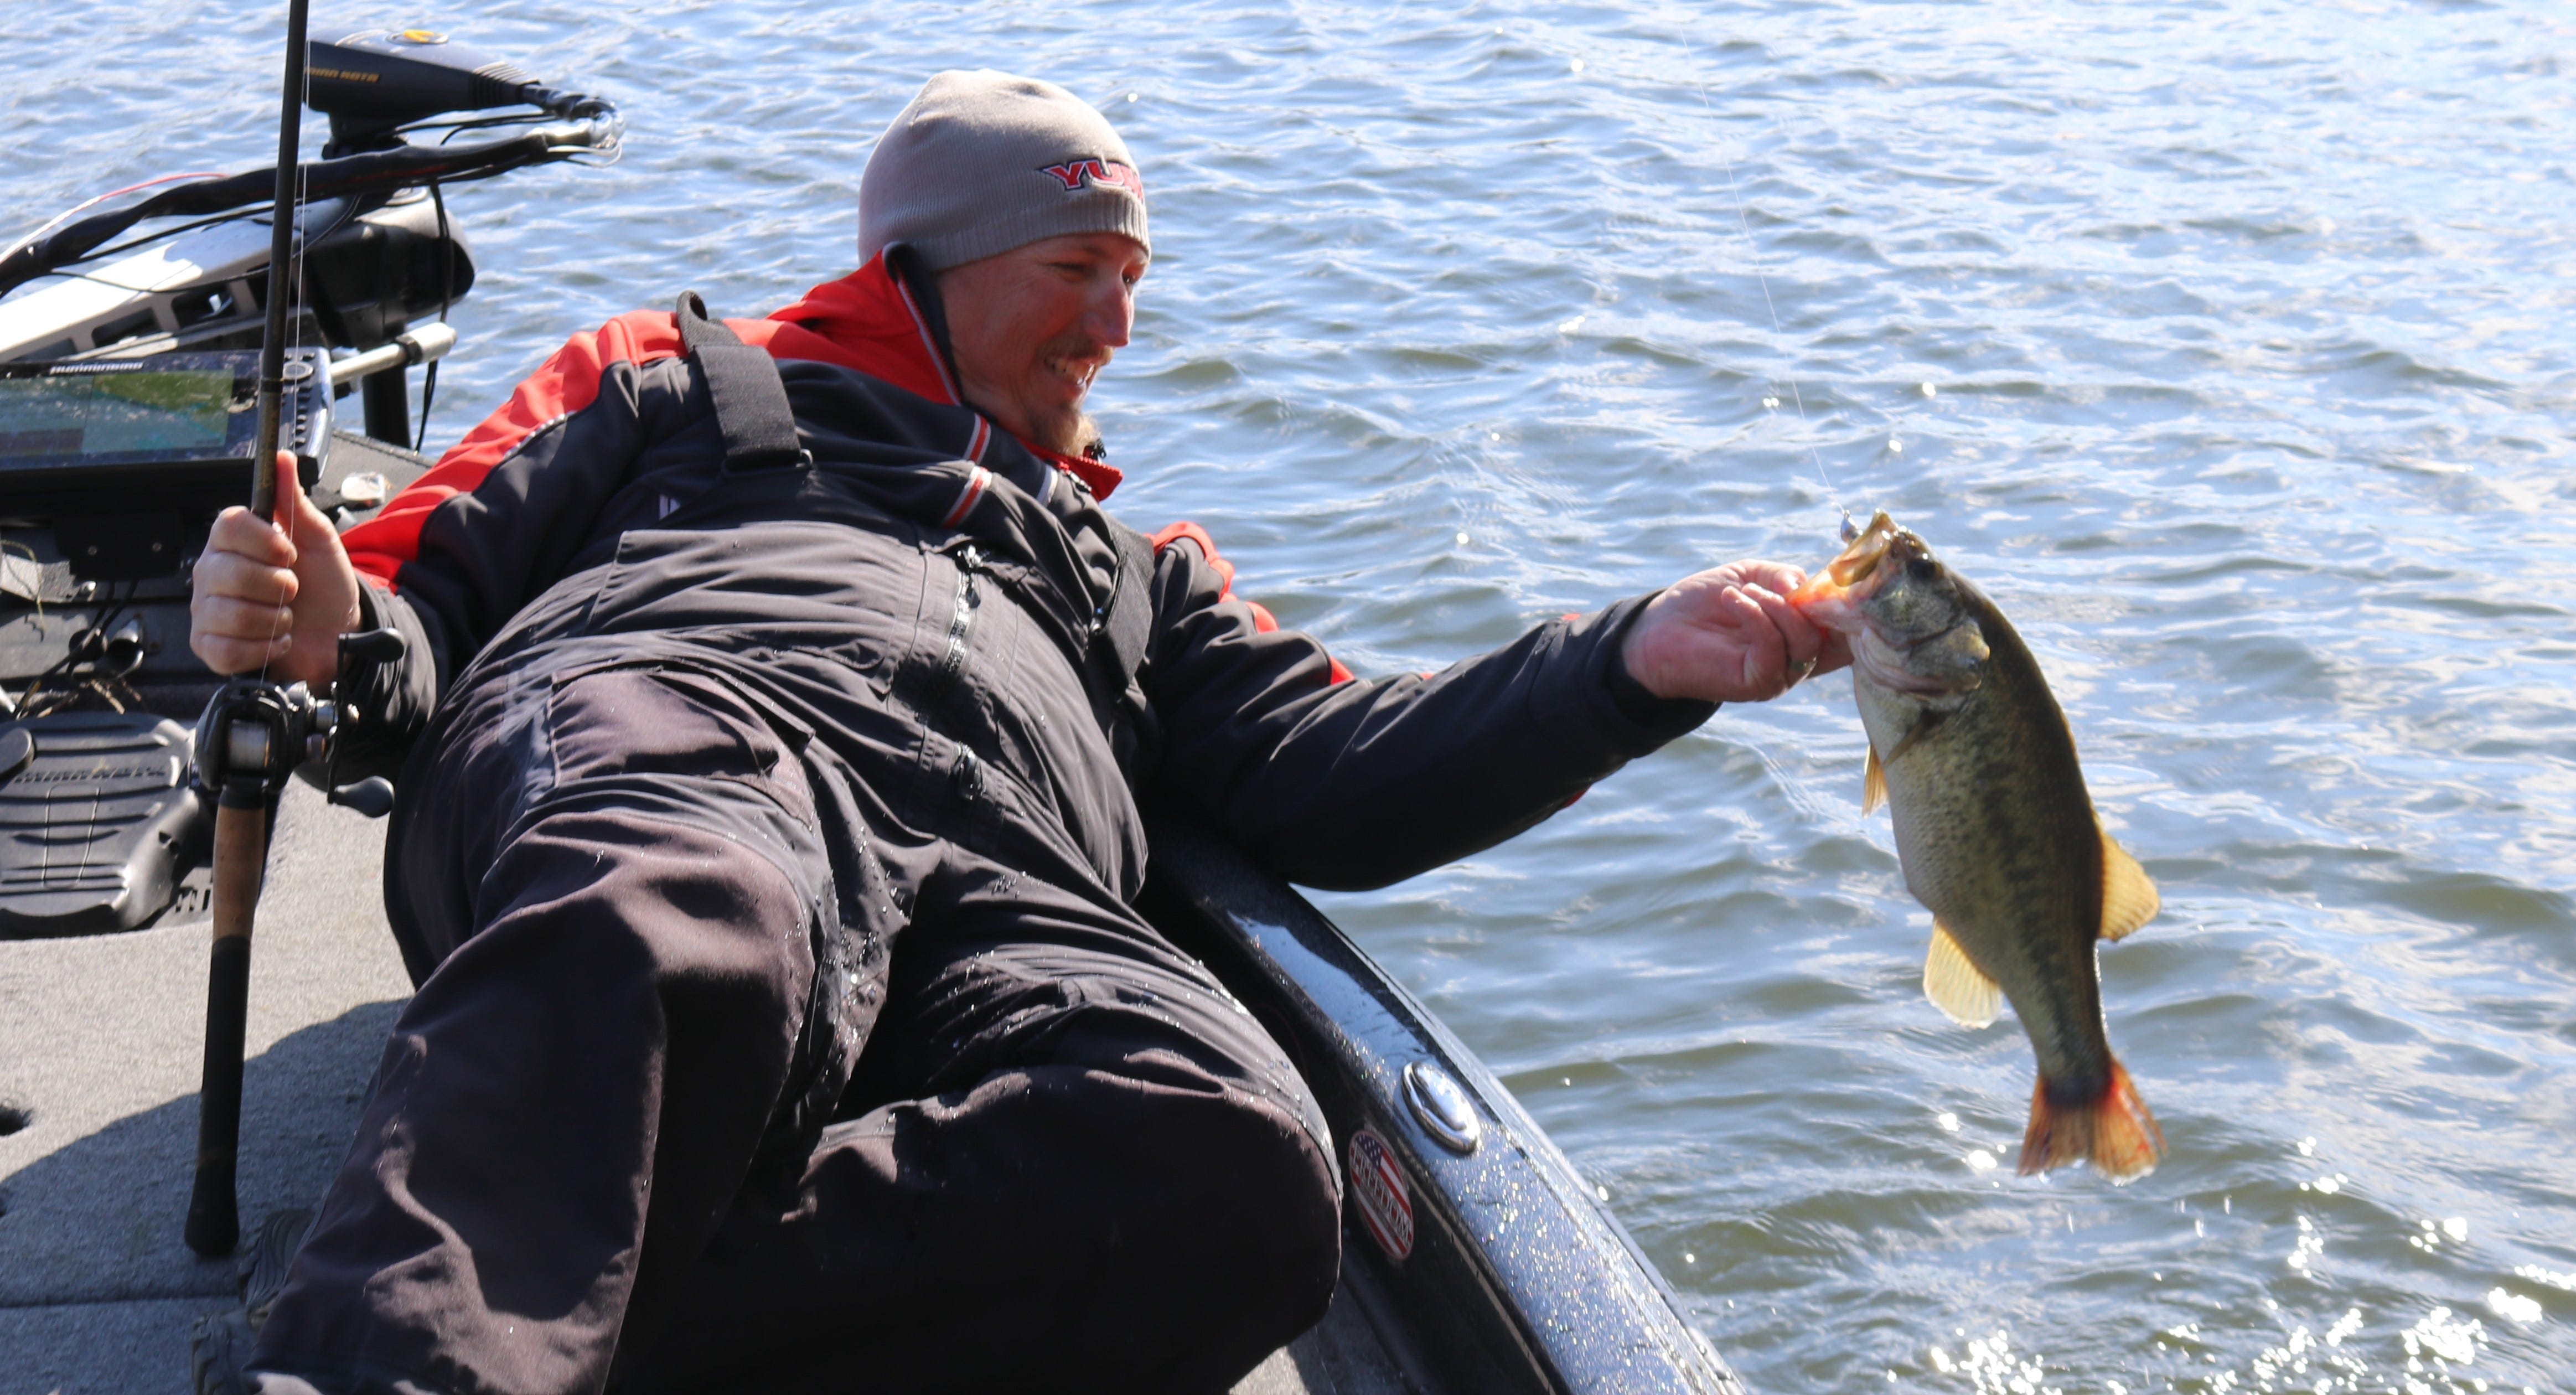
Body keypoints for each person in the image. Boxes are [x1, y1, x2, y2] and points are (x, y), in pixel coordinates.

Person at [189, 72, 1837, 1395]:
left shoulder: (1142, 573)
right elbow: (398, 619)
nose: (1118, 324)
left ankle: (546, 1313)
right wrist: (326, 638)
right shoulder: (671, 380)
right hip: (686, 728)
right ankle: (403, 1361)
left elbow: (1344, 782)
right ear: (923, 266)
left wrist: (1633, 663)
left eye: (1134, 278)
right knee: (698, 909)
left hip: (996, 863)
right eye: (1079, 270)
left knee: (1235, 1152)